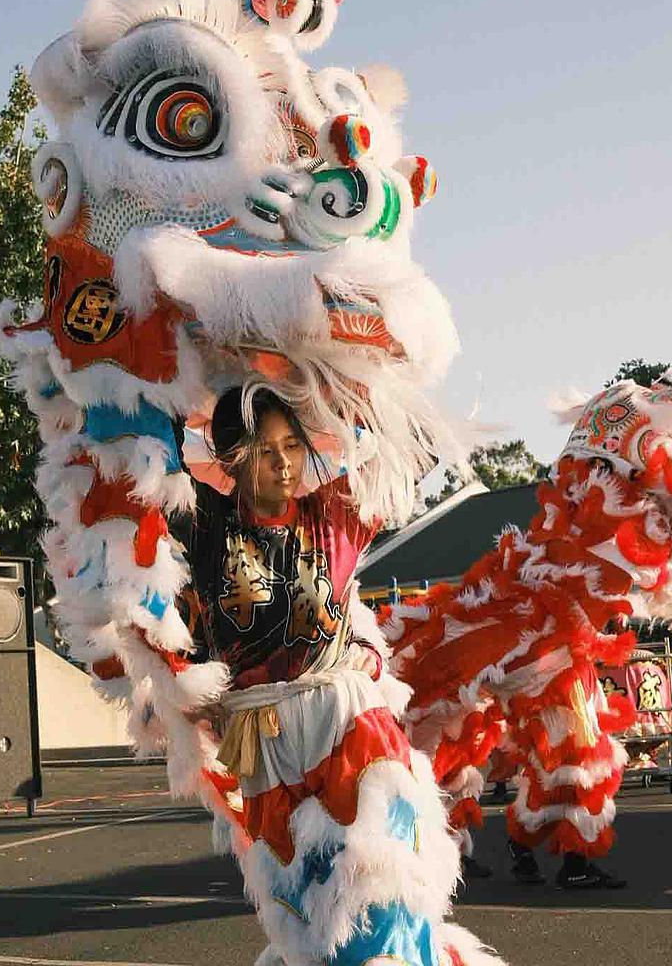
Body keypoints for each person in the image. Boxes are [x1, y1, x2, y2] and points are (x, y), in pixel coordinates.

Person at [173, 384, 498, 966]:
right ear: (230, 460)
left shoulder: (334, 516)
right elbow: (144, 447)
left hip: (347, 719)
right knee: (304, 907)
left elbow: (410, 444)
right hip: (262, 740)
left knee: (379, 886)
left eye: (292, 444)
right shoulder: (202, 525)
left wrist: (336, 375)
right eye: (262, 448)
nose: (283, 462)